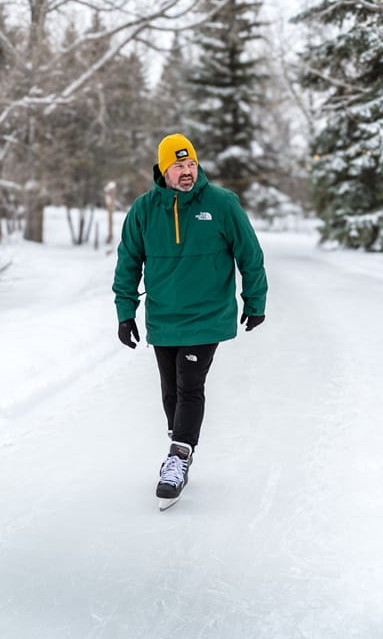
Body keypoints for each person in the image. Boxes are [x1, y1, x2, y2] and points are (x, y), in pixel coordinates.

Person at [112, 134, 267, 506]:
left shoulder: (221, 203)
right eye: (178, 166)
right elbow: (128, 262)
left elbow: (250, 253)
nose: (186, 172)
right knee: (170, 391)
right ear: (163, 170)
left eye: (191, 165)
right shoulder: (145, 210)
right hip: (164, 318)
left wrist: (255, 300)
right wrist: (125, 312)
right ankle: (180, 440)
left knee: (189, 383)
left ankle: (178, 456)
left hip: (207, 316)